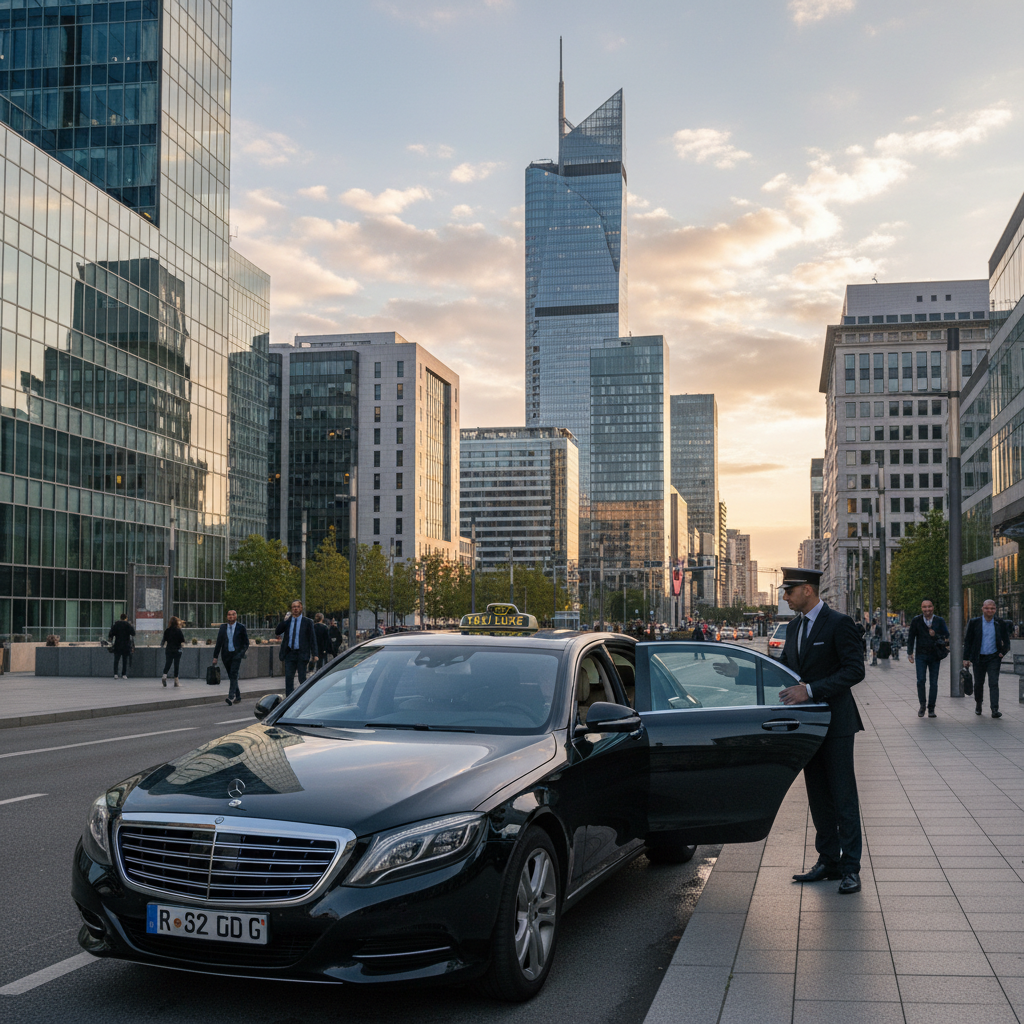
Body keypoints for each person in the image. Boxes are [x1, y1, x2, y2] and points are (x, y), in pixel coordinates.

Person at [777, 566, 865, 895]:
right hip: (809, 726)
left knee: (843, 796)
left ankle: (851, 868)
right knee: (818, 796)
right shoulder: (794, 627)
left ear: (808, 591)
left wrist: (811, 690)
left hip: (838, 723)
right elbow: (785, 670)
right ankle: (828, 860)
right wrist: (741, 672)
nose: (785, 596)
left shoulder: (839, 623)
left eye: (790, 590)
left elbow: (855, 671)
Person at [963, 599, 1010, 719]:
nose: (990, 610)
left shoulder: (1000, 623)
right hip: (979, 658)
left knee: (993, 683)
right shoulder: (974, 622)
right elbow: (968, 641)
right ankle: (978, 704)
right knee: (979, 683)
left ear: (995, 609)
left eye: (992, 608)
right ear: (982, 609)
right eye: (987, 608)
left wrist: (1002, 653)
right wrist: (966, 658)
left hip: (994, 657)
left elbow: (1007, 641)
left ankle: (995, 709)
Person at [907, 599, 949, 718]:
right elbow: (911, 637)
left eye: (929, 607)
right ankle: (922, 705)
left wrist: (935, 635)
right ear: (921, 608)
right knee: (921, 680)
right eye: (924, 607)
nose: (927, 609)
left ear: (933, 607)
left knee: (933, 683)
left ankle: (931, 708)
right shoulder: (916, 620)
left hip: (935, 655)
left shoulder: (939, 621)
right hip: (921, 655)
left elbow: (946, 636)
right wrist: (910, 653)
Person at [276, 600, 316, 696]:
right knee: (289, 677)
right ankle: (289, 699)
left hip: (302, 653)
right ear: (291, 609)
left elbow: (312, 638)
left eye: (298, 606)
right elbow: (277, 631)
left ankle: (304, 697)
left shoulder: (307, 622)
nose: (295, 609)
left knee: (302, 678)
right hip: (290, 653)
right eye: (294, 607)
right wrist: (284, 621)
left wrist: (315, 654)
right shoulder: (288, 621)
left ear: (301, 608)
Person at [213, 609, 249, 706]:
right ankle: (238, 696)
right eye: (229, 615)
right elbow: (219, 642)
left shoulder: (241, 627)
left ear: (236, 616)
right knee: (231, 675)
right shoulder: (223, 627)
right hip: (226, 655)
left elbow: (246, 643)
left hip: (236, 655)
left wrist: (241, 653)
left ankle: (230, 696)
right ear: (227, 616)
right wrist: (215, 656)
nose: (231, 616)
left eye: (233, 614)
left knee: (233, 674)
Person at [108, 612, 135, 679]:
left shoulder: (116, 624)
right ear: (126, 618)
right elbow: (133, 633)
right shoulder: (128, 625)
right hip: (126, 645)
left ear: (120, 618)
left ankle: (115, 674)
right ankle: (124, 674)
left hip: (118, 644)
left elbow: (111, 634)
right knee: (124, 660)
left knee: (116, 660)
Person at [160, 616, 185, 687]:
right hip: (177, 650)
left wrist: (162, 645)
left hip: (169, 649)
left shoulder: (167, 630)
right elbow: (182, 640)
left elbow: (163, 641)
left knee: (168, 663)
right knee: (176, 665)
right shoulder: (178, 630)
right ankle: (176, 681)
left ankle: (164, 676)